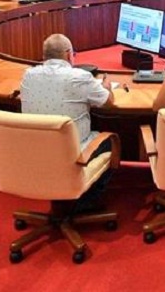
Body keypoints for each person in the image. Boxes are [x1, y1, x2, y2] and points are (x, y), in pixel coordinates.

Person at [20, 33, 117, 211]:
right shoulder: (79, 77)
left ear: (44, 56)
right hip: (72, 155)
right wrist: (106, 87)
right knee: (110, 141)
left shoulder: (27, 76)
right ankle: (84, 203)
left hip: (33, 153)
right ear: (67, 54)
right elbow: (109, 102)